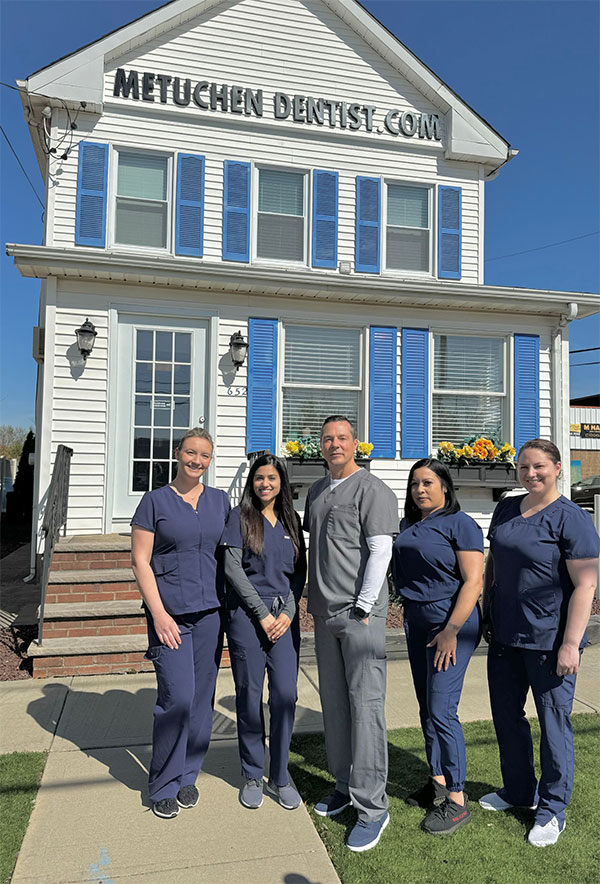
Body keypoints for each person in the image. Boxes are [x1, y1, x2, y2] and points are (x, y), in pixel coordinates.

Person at [480, 439, 599, 847]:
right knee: (506, 717)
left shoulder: (572, 518)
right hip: (505, 635)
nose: (531, 474)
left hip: (549, 640)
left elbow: (586, 584)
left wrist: (571, 643)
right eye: (524, 467)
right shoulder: (507, 507)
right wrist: (485, 607)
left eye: (539, 467)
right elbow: (494, 559)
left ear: (558, 468)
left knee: (553, 724)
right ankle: (518, 791)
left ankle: (551, 808)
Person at [303, 415, 398, 852]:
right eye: (327, 439)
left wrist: (362, 606)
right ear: (320, 445)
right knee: (335, 706)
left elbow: (380, 549)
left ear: (355, 443)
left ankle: (373, 806)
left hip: (359, 616)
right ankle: (344, 784)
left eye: (342, 438)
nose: (334, 444)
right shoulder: (317, 491)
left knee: (366, 708)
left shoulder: (373, 489)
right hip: (324, 615)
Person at [130, 428, 230, 819]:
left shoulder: (220, 501)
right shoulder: (155, 502)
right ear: (177, 453)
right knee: (177, 699)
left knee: (202, 699)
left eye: (204, 456)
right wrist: (158, 613)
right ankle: (163, 784)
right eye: (191, 453)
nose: (197, 461)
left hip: (210, 614)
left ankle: (189, 775)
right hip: (169, 615)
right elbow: (140, 560)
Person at [392, 458, 483, 835]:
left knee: (443, 709)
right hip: (417, 621)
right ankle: (438, 782)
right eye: (415, 484)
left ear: (445, 486)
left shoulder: (460, 524)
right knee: (427, 707)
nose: (420, 489)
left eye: (428, 482)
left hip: (452, 622)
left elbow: (473, 581)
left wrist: (452, 629)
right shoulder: (409, 525)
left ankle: (457, 801)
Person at [221, 454, 307, 811]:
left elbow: (297, 573)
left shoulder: (291, 520)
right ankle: (253, 774)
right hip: (247, 617)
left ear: (281, 482)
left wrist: (286, 613)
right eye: (259, 478)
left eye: (271, 478)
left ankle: (280, 775)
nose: (265, 484)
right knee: (249, 696)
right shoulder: (239, 518)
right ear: (251, 483)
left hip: (283, 620)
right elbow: (232, 569)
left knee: (285, 694)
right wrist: (261, 614)